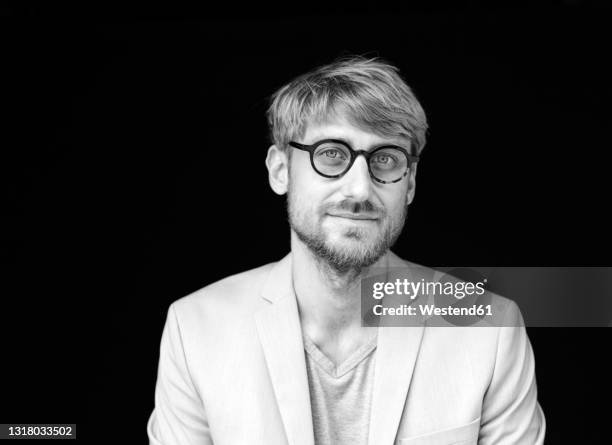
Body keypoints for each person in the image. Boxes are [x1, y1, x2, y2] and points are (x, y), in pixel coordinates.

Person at [147, 56, 545, 445]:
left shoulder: (489, 329)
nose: (359, 189)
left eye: (386, 159)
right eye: (331, 155)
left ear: (409, 184)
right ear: (280, 170)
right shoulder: (196, 329)